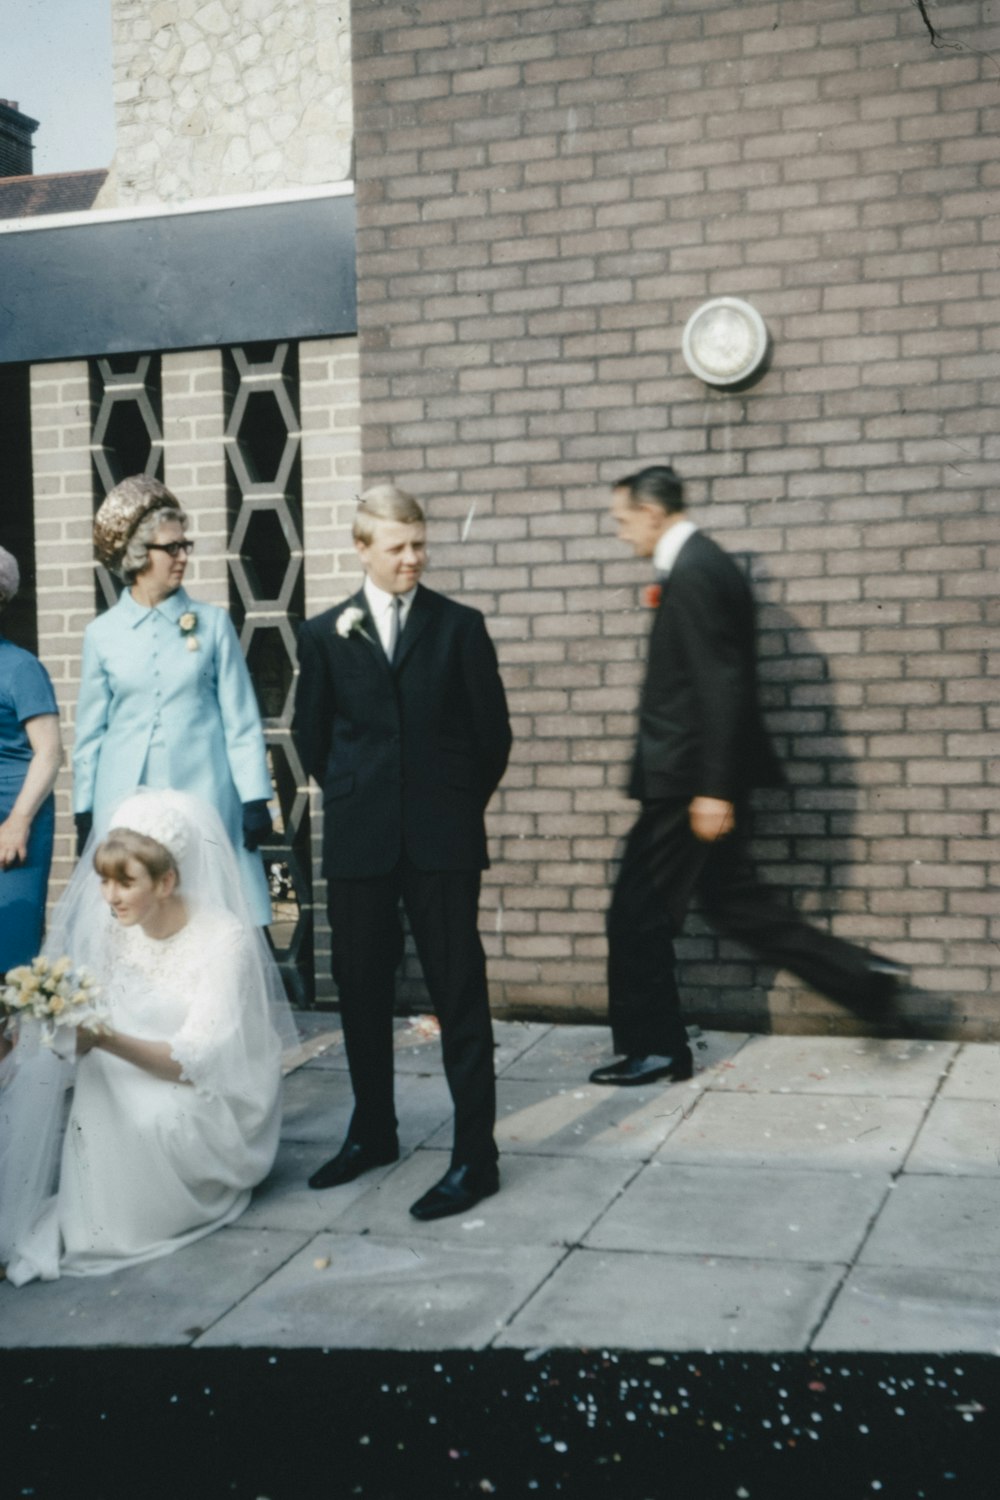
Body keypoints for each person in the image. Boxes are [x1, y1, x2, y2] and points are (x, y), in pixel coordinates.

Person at [589, 464, 910, 1088]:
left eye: (623, 520)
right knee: (734, 901)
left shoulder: (696, 572)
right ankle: (863, 980)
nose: (620, 533)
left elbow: (721, 685)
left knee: (635, 913)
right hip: (692, 781)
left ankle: (655, 1049)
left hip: (685, 787)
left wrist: (714, 788)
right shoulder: (702, 566)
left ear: (653, 514)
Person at [294, 483, 511, 1220]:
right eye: (398, 548)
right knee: (360, 991)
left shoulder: (460, 627)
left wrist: (445, 808)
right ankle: (373, 1132)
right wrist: (365, 799)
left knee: (460, 995)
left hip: (443, 842)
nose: (413, 558)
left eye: (420, 545)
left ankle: (476, 1157)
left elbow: (492, 740)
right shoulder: (325, 633)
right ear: (362, 550)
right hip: (360, 841)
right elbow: (311, 739)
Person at [0, 788, 296, 1285]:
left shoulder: (224, 938)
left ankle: (136, 1216)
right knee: (93, 1080)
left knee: (145, 1107)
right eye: (104, 881)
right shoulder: (116, 927)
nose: (109, 897)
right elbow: (85, 1013)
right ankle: (95, 1215)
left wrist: (105, 1039)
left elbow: (196, 1059)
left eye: (125, 881)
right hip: (121, 1069)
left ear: (167, 881)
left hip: (201, 1089)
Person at [73, 475, 273, 925]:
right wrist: (83, 809)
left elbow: (241, 721)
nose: (183, 556)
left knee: (205, 908)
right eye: (172, 548)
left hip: (204, 787)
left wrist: (254, 797)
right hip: (123, 795)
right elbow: (90, 732)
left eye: (186, 545)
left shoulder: (212, 623)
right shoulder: (101, 634)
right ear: (139, 555)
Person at [0, 546, 62, 980]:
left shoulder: (21, 667)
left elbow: (50, 752)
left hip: (13, 817)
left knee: (11, 949)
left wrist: (19, 819)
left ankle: (11, 1046)